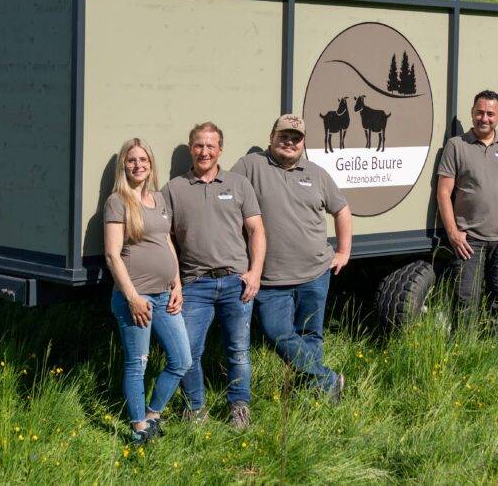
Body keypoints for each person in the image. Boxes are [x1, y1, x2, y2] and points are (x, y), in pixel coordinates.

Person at [231, 114, 352, 398]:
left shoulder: (317, 174)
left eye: (296, 138)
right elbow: (227, 198)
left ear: (303, 143)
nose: (289, 142)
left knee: (311, 334)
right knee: (277, 333)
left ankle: (316, 391)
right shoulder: (250, 166)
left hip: (316, 272)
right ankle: (328, 378)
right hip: (271, 279)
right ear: (271, 138)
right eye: (283, 136)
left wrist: (344, 251)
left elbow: (341, 210)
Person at [162, 122, 266, 429]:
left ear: (220, 149)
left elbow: (256, 229)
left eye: (211, 145)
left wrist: (255, 273)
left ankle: (239, 408)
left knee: (238, 350)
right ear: (191, 148)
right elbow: (163, 237)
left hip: (236, 281)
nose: (204, 151)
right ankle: (195, 409)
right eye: (198, 145)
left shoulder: (238, 184)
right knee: (188, 352)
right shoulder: (174, 189)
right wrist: (175, 281)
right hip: (194, 284)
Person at [104, 138, 191, 444]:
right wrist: (132, 298)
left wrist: (177, 283)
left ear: (150, 165)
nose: (138, 165)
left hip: (165, 295)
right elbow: (113, 255)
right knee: (137, 363)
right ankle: (139, 428)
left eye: (143, 160)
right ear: (123, 166)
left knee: (182, 359)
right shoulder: (117, 201)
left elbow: (167, 242)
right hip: (136, 299)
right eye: (131, 160)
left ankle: (153, 415)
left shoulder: (159, 199)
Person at [436, 90, 498, 337]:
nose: (484, 118)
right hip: (470, 240)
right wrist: (454, 234)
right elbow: (444, 193)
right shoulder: (456, 146)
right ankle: (465, 349)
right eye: (479, 112)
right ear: (472, 113)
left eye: (490, 113)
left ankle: (497, 351)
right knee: (466, 299)